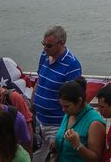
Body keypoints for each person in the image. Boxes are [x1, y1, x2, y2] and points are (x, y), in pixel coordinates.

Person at [32, 26, 83, 162]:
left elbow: (74, 101)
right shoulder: (44, 55)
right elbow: (39, 80)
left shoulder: (72, 65)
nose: (45, 48)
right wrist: (32, 104)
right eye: (43, 44)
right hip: (38, 119)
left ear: (61, 43)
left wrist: (63, 130)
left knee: (56, 157)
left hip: (56, 124)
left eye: (49, 45)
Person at [54, 79, 105, 162]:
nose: (63, 110)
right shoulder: (69, 113)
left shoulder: (95, 123)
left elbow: (95, 159)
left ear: (79, 102)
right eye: (62, 106)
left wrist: (77, 145)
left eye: (67, 106)